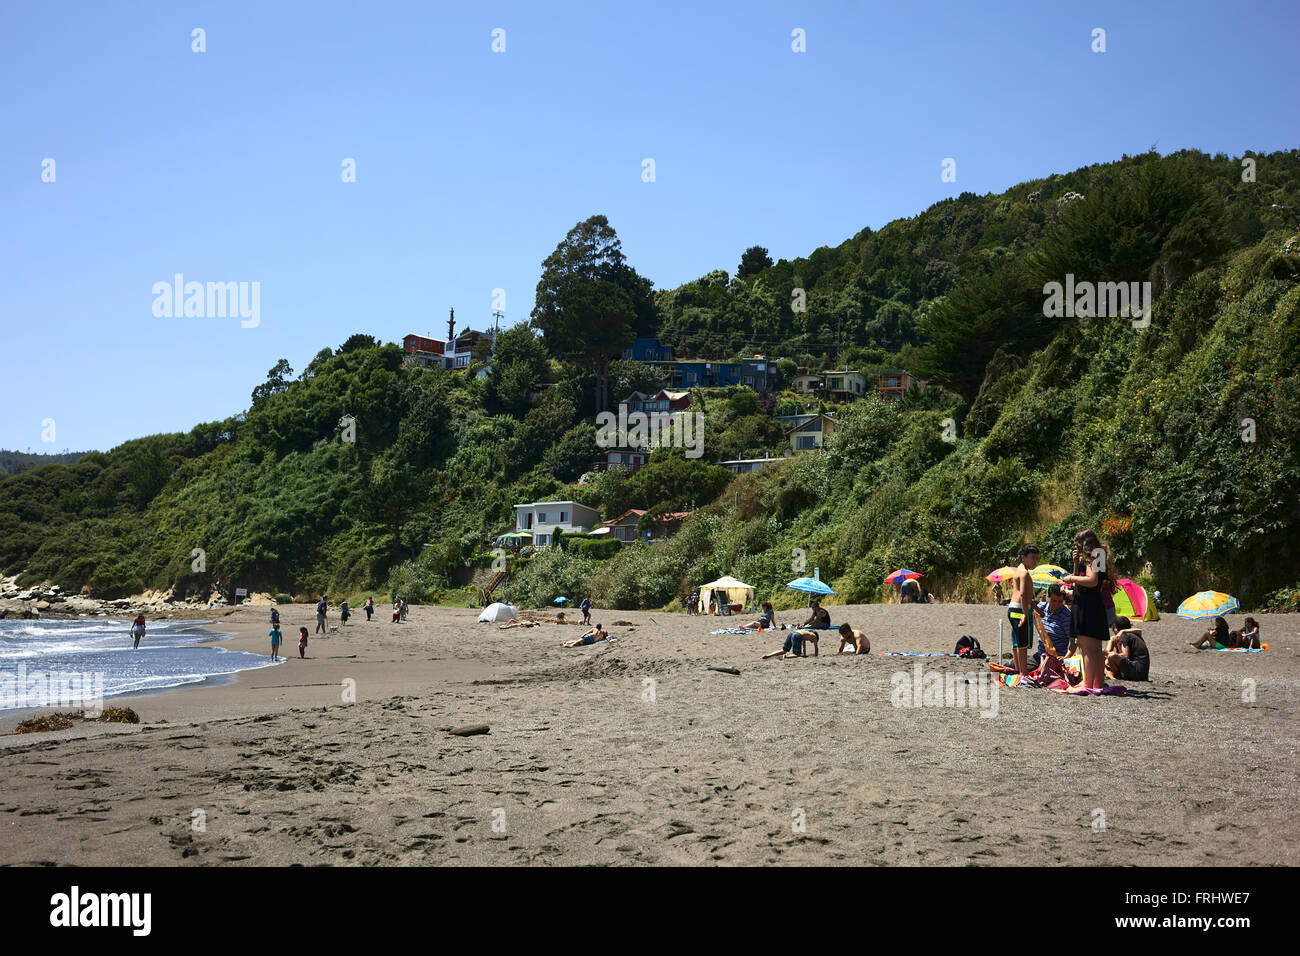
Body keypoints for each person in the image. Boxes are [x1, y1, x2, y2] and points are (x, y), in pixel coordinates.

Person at [1061, 529, 1111, 689]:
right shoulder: (1099, 554)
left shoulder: (1094, 555)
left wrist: (1070, 578)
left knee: (1086, 648)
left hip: (1087, 605)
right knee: (1095, 649)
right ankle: (1097, 683)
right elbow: (1083, 582)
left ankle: (1087, 683)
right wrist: (1076, 564)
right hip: (1091, 603)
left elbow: (1092, 580)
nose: (1076, 548)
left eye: (1078, 544)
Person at [1006, 544, 1039, 676]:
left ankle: (1018, 669)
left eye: (1036, 558)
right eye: (1032, 558)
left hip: (1013, 608)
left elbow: (1023, 593)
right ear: (1023, 557)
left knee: (1016, 640)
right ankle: (1023, 673)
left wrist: (1035, 607)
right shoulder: (1024, 573)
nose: (1035, 561)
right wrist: (1026, 614)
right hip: (1020, 609)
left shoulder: (1019, 570)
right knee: (1022, 642)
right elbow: (1023, 595)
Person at [1028, 583, 1073, 669]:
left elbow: (1074, 641)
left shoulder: (1066, 616)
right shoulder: (1041, 607)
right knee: (1015, 665)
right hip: (1040, 656)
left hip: (1056, 659)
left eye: (1060, 602)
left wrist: (1066, 657)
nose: (1056, 604)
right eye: (1053, 601)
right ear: (1047, 597)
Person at [1106, 616, 1149, 681]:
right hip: (1142, 673)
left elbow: (1125, 656)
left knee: (1111, 656)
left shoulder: (1124, 636)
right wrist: (1112, 641)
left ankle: (1114, 676)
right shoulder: (1132, 634)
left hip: (1137, 672)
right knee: (1107, 659)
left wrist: (1106, 653)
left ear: (1115, 628)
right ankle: (1110, 675)